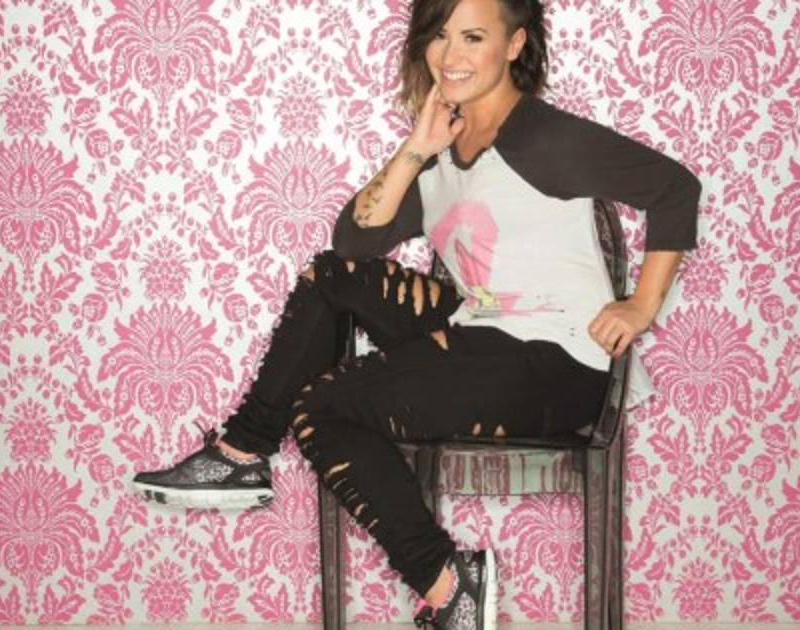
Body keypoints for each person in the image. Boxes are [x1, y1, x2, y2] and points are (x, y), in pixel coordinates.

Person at [131, 0, 701, 627]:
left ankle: (447, 583)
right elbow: (353, 242)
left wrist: (640, 305)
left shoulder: (543, 138)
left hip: (558, 361)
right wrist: (416, 148)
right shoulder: (442, 147)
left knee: (323, 408)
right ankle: (242, 453)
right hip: (482, 333)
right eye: (439, 35)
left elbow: (675, 190)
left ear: (514, 45)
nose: (450, 55)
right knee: (332, 277)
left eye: (473, 37)